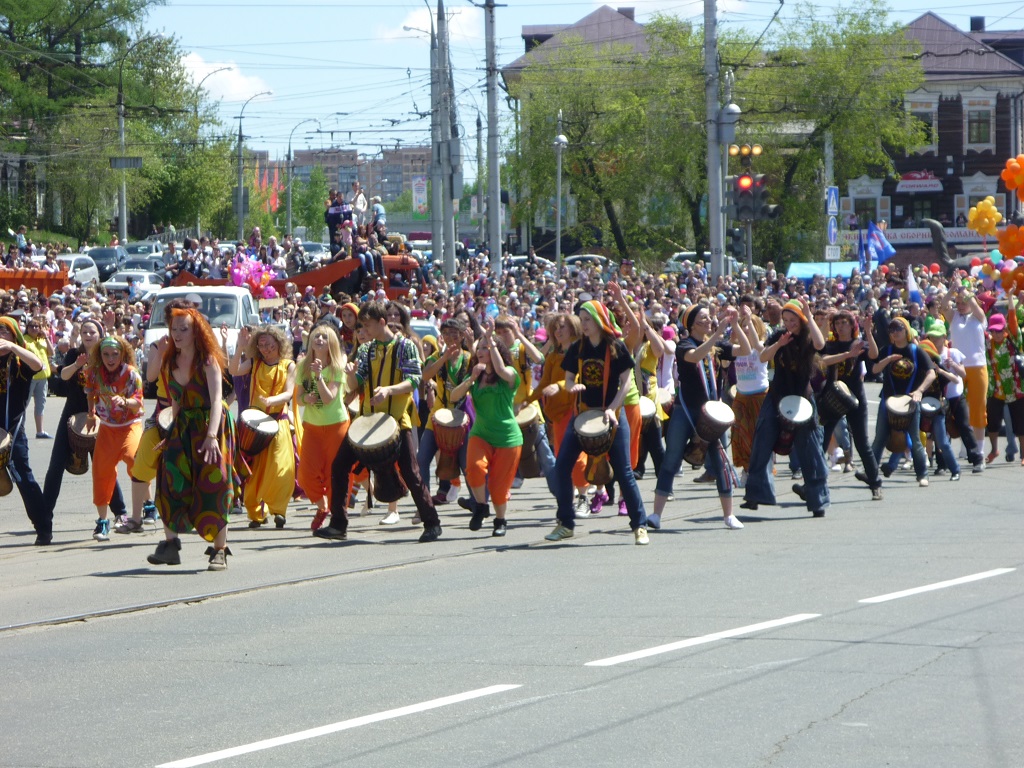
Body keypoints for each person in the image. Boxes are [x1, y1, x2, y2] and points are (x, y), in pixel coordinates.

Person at [315, 300, 443, 543]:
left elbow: (414, 380)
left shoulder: (406, 347)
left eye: (369, 325)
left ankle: (432, 522)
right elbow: (355, 385)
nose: (365, 330)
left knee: (411, 473)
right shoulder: (366, 349)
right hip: (367, 421)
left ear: (382, 322)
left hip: (396, 421)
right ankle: (338, 524)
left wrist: (389, 390)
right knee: (339, 466)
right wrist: (351, 376)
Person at [545, 299, 650, 545]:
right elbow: (569, 380)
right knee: (561, 467)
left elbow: (626, 381)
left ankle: (640, 526)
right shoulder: (577, 348)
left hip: (611, 414)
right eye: (581, 320)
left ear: (600, 320)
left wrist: (614, 408)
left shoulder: (616, 347)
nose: (584, 324)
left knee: (624, 472)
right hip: (582, 414)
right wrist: (573, 386)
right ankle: (565, 523)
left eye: (587, 319)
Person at [147, 306, 236, 571]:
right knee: (168, 480)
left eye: (183, 329)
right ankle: (171, 546)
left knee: (215, 483)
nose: (176, 334)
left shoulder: (208, 360)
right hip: (183, 426)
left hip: (212, 425)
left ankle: (220, 550)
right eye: (174, 329)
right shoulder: (169, 361)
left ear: (196, 330)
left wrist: (211, 436)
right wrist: (170, 434)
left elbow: (218, 400)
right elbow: (175, 401)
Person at [650, 302, 750, 531]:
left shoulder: (717, 345)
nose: (708, 321)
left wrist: (735, 325)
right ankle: (656, 514)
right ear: (692, 324)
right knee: (671, 459)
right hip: (685, 410)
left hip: (711, 414)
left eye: (708, 318)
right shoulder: (684, 344)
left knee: (720, 460)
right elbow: (694, 357)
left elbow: (744, 350)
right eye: (702, 318)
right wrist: (716, 335)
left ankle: (729, 515)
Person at [741, 297, 830, 517]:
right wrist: (779, 344)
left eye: (793, 320)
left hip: (802, 398)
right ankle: (756, 494)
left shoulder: (808, 337)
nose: (789, 324)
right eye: (786, 319)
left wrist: (809, 316)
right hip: (776, 395)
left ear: (800, 320)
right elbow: (762, 356)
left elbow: (820, 345)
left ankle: (817, 499)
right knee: (762, 441)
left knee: (810, 449)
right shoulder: (779, 336)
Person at [449, 324, 522, 536]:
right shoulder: (476, 376)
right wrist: (471, 378)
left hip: (508, 439)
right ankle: (480, 506)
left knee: (499, 490)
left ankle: (500, 521)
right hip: (481, 434)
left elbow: (500, 370)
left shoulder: (510, 374)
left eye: (486, 348)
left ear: (496, 351)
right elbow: (454, 397)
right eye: (479, 347)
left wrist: (491, 340)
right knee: (474, 468)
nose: (480, 351)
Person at [230, 325, 299, 529]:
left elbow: (288, 393)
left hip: (279, 421)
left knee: (281, 467)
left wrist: (272, 400)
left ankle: (279, 510)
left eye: (269, 344)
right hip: (255, 426)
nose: (265, 349)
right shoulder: (254, 363)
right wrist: (240, 347)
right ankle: (257, 513)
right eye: (261, 345)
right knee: (255, 471)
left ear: (279, 343)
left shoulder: (289, 365)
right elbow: (233, 370)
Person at [83, 336, 144, 542]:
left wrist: (125, 401)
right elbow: (91, 392)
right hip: (108, 429)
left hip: (129, 426)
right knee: (101, 472)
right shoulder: (94, 373)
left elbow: (138, 403)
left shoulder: (131, 374)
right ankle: (102, 521)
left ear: (122, 354)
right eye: (106, 354)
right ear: (100, 355)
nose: (110, 358)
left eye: (115, 354)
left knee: (134, 459)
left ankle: (149, 506)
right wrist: (91, 414)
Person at [819, 309, 883, 500]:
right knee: (822, 441)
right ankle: (813, 484)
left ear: (852, 325)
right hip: (833, 397)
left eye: (845, 322)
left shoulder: (858, 343)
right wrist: (847, 355)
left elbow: (873, 355)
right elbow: (822, 361)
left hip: (855, 399)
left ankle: (875, 484)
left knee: (862, 443)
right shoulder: (830, 345)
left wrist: (869, 333)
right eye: (837, 323)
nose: (840, 326)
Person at [869, 316, 936, 487]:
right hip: (888, 400)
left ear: (906, 330)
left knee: (914, 439)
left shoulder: (916, 350)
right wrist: (887, 360)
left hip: (910, 401)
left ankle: (922, 474)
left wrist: (920, 391)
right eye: (892, 329)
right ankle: (871, 473)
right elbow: (875, 369)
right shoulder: (887, 350)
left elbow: (932, 373)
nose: (895, 332)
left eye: (898, 328)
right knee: (880, 438)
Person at [534, 312, 589, 516]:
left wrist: (560, 386)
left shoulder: (581, 352)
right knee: (562, 457)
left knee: (579, 457)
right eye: (555, 328)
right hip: (557, 413)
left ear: (573, 328)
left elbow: (580, 378)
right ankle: (570, 499)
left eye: (562, 327)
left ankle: (584, 497)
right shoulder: (553, 356)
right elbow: (543, 384)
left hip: (578, 408)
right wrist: (526, 401)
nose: (558, 331)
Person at [296, 321, 349, 531]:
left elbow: (328, 398)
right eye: (316, 336)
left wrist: (319, 376)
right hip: (312, 427)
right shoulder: (303, 366)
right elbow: (298, 398)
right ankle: (322, 506)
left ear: (331, 343)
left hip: (336, 426)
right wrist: (305, 400)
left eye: (324, 337)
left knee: (333, 474)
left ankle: (337, 517)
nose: (319, 339)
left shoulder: (337, 367)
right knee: (305, 475)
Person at [0, 316, 48, 543]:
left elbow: (39, 365)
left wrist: (12, 347)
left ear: (14, 336)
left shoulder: (19, 363)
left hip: (13, 429)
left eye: (4, 332)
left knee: (23, 478)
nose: (0, 336)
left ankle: (43, 525)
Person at [419, 318, 472, 502]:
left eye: (454, 333)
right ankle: (425, 503)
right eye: (446, 333)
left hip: (463, 418)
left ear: (462, 335)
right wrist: (444, 357)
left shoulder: (468, 357)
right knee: (422, 459)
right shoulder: (436, 357)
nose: (450, 337)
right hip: (437, 417)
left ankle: (477, 501)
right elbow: (425, 376)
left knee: (466, 464)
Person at [942, 283, 987, 444]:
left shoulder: (979, 317)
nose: (960, 306)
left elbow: (975, 305)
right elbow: (943, 305)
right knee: (957, 408)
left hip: (977, 367)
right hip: (957, 367)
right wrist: (953, 289)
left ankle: (979, 450)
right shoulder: (953, 317)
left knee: (978, 408)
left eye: (964, 302)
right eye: (958, 302)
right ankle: (965, 445)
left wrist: (963, 290)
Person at [730, 307, 769, 486]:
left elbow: (757, 347)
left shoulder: (761, 347)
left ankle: (758, 472)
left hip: (759, 396)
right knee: (739, 435)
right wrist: (735, 326)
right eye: (744, 327)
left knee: (757, 437)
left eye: (750, 326)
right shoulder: (738, 349)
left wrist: (748, 320)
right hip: (741, 396)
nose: (746, 329)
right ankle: (746, 468)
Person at [983, 304, 1024, 465]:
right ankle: (994, 450)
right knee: (992, 424)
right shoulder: (988, 344)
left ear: (1004, 329)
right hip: (995, 390)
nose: (996, 334)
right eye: (993, 331)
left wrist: (1010, 301)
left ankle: (1023, 455)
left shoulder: (1012, 340)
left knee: (1020, 424)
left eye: (999, 330)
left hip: (1016, 388)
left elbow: (1013, 321)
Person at [23, 318, 53, 439]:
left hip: (43, 377)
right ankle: (20, 429)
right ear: (27, 328)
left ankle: (40, 431)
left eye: (37, 326)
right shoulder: (25, 340)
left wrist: (46, 337)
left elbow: (51, 353)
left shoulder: (42, 340)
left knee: (40, 404)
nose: (34, 328)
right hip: (30, 377)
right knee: (23, 404)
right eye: (32, 326)